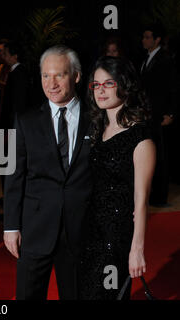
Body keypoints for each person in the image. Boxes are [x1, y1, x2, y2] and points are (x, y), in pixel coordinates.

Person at [3, 45, 92, 300]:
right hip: (35, 228)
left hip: (79, 228)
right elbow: (13, 174)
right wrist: (10, 225)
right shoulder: (24, 119)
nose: (51, 83)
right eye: (45, 75)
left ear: (75, 76)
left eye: (59, 75)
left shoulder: (96, 119)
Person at [79, 56, 156, 299]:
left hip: (116, 239)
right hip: (89, 232)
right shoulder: (97, 130)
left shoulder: (140, 139)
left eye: (108, 84)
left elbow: (141, 201)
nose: (100, 91)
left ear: (124, 85)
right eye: (96, 85)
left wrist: (137, 249)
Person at [140, 24, 178, 207]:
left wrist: (171, 112)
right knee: (152, 154)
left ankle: (160, 197)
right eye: (144, 37)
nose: (144, 40)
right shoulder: (146, 59)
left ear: (157, 40)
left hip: (160, 116)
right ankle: (154, 193)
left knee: (161, 156)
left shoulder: (166, 59)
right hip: (149, 116)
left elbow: (173, 88)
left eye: (148, 37)